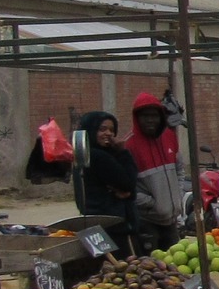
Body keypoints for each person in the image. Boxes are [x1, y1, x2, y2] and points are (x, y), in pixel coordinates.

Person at [74, 111, 140, 254]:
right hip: (113, 226)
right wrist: (123, 152)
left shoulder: (82, 156)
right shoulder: (99, 156)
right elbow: (129, 184)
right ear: (90, 131)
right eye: (102, 129)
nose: (109, 133)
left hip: (94, 225)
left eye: (111, 130)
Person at [125, 92, 181, 253]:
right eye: (145, 116)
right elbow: (127, 186)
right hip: (147, 221)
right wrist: (151, 203)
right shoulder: (130, 145)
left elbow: (180, 169)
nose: (150, 120)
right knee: (151, 268)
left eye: (154, 116)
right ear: (137, 118)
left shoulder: (169, 137)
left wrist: (178, 193)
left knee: (174, 268)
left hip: (171, 221)